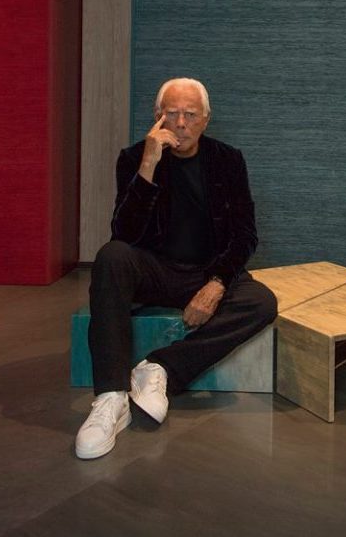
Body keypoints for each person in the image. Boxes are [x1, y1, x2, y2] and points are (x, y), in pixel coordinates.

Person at [75, 77, 277, 459]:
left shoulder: (228, 160)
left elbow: (245, 235)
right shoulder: (134, 158)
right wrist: (149, 164)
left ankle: (161, 368)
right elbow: (124, 233)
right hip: (154, 269)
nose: (181, 123)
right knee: (111, 256)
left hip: (204, 271)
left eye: (191, 114)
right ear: (157, 117)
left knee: (261, 302)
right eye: (172, 114)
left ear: (206, 119)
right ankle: (111, 397)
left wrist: (217, 283)